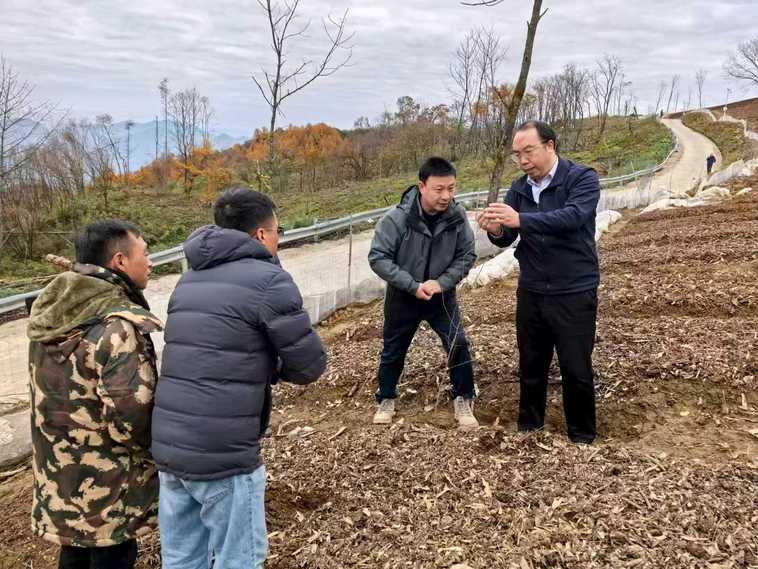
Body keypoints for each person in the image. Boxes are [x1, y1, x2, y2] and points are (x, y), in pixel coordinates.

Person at [151, 187, 327, 568]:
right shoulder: (269, 280)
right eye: (278, 231)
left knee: (181, 559)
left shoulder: (189, 279)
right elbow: (309, 364)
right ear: (262, 234)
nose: (278, 239)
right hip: (224, 452)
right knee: (240, 559)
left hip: (170, 447)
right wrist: (271, 367)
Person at [27, 220, 162, 569]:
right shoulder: (118, 327)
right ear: (120, 261)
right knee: (110, 556)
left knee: (74, 553)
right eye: (145, 253)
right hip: (109, 489)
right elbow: (131, 420)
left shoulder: (51, 315)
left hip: (59, 477)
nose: (150, 262)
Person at [477, 121, 600, 444]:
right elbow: (508, 236)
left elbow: (573, 217)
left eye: (528, 151)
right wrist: (495, 229)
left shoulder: (581, 178)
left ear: (550, 146)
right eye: (517, 154)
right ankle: (529, 430)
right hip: (532, 290)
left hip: (573, 289)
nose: (522, 160)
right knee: (531, 365)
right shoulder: (519, 188)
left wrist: (520, 219)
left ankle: (582, 437)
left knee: (576, 368)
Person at [368, 157, 478, 429]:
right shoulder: (397, 218)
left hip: (441, 296)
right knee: (393, 349)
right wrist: (412, 285)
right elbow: (378, 257)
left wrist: (442, 282)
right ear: (421, 186)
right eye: (439, 189)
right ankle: (386, 398)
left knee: (458, 343)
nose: (446, 196)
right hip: (403, 296)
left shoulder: (456, 216)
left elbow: (467, 255)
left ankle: (463, 398)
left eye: (451, 188)